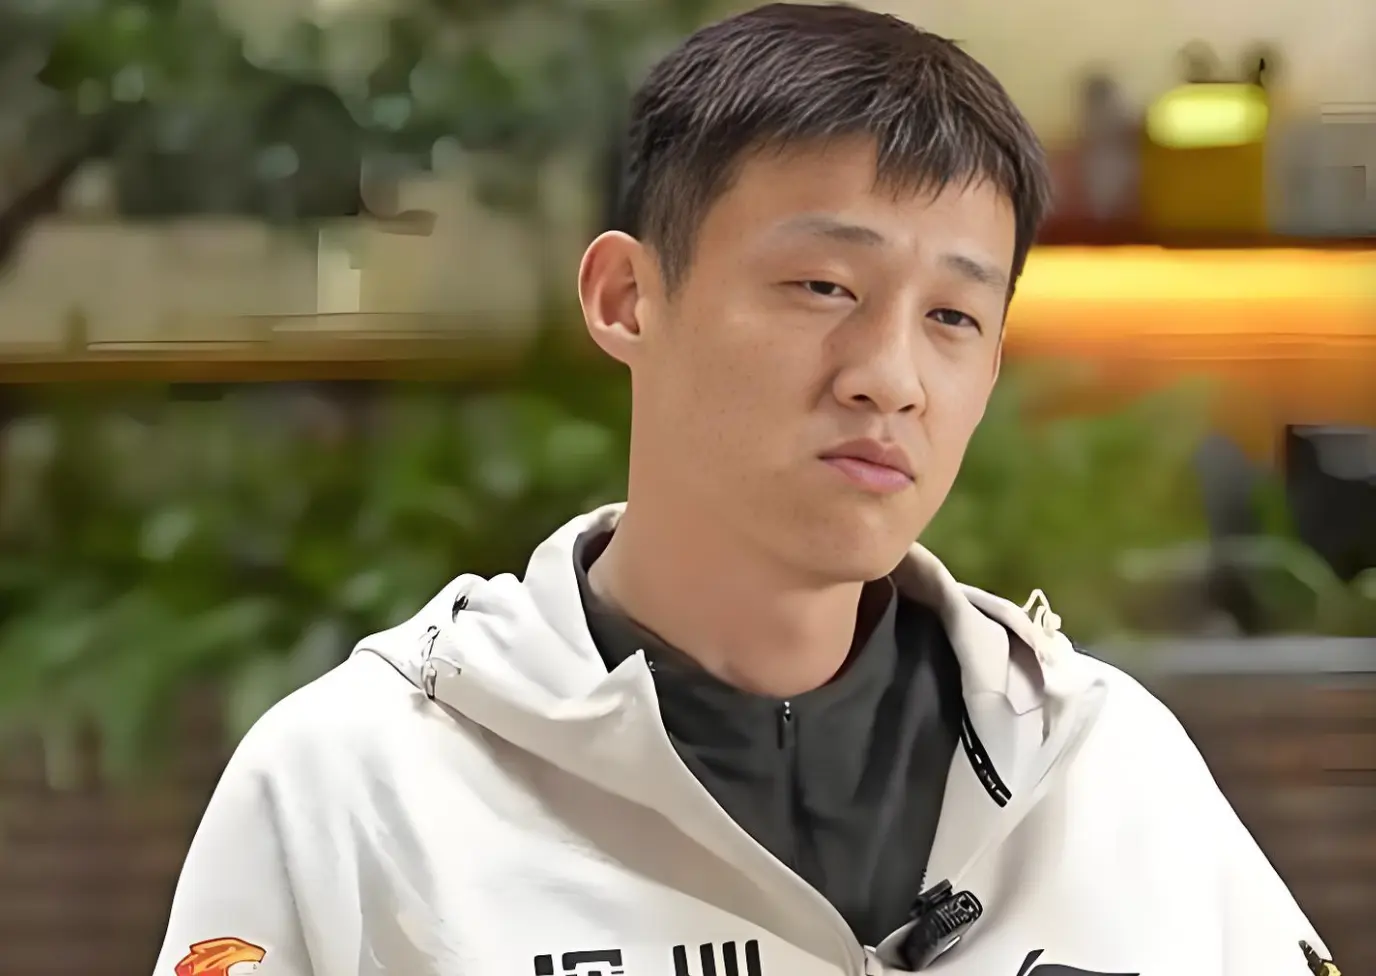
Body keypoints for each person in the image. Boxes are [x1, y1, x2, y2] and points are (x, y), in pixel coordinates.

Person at [153, 5, 1336, 975]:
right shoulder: (360, 785)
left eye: (951, 316)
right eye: (822, 286)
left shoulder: (1105, 768)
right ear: (627, 298)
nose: (889, 378)